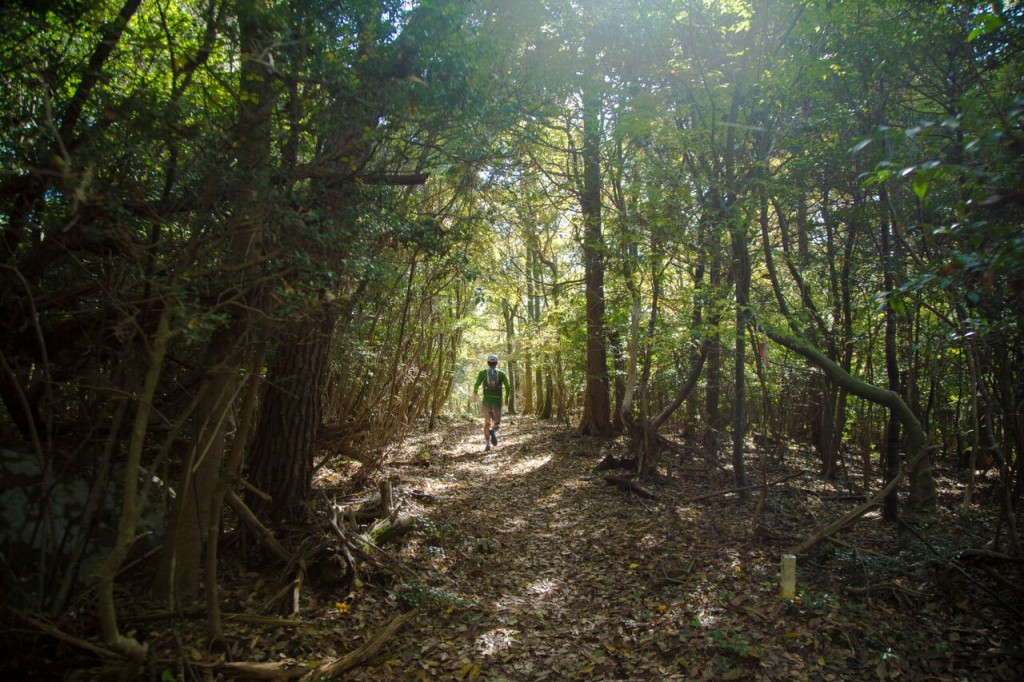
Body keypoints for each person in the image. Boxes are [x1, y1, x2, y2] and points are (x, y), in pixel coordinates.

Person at [473, 353, 510, 451]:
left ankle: (487, 444)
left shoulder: (483, 373)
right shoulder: (502, 374)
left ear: (488, 363)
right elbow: (508, 386)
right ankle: (493, 431)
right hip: (497, 401)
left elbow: (476, 384)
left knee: (486, 423)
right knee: (496, 424)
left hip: (486, 401)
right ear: (497, 363)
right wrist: (506, 398)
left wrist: (475, 393)